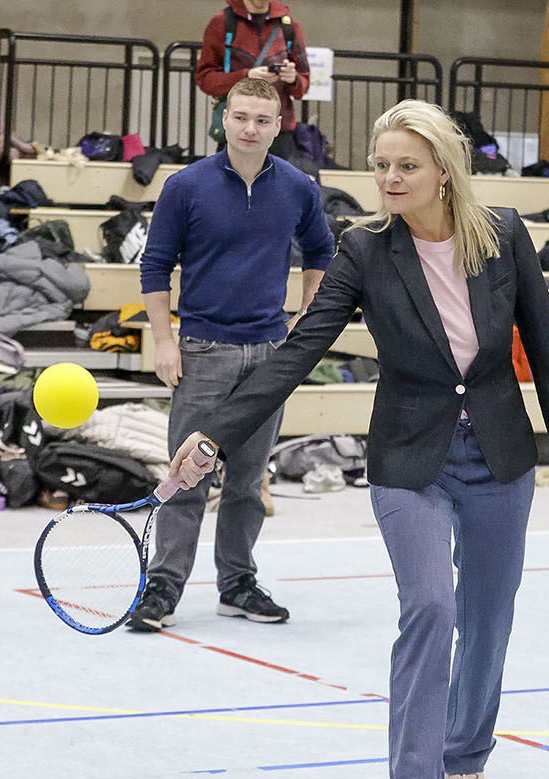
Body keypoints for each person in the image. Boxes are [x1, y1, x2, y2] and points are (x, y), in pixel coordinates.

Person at [164, 99, 549, 779]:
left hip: (498, 454)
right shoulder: (363, 249)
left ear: (443, 171)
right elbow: (299, 350)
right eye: (382, 165)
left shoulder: (503, 233)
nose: (390, 178)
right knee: (429, 608)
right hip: (408, 458)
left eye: (406, 166)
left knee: (488, 620)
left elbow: (547, 346)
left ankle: (466, 754)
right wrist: (215, 434)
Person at [134, 77, 334, 631]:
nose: (250, 128)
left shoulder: (298, 187)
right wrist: (164, 340)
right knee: (186, 477)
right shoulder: (185, 186)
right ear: (224, 118)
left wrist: (307, 313)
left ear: (278, 126)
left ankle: (237, 584)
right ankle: (163, 587)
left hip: (270, 355)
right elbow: (155, 265)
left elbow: (321, 250)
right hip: (203, 351)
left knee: (248, 483)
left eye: (262, 120)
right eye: (241, 117)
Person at [196, 0, 310, 158]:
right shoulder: (222, 23)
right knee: (232, 173)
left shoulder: (289, 26)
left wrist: (293, 78)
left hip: (278, 131)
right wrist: (246, 76)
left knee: (275, 173)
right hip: (237, 128)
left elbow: (303, 84)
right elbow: (205, 79)